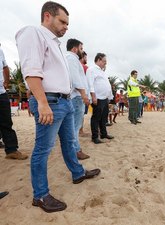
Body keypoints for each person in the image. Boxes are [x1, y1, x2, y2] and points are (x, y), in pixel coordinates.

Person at [15, 1, 100, 213]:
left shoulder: (54, 43)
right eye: (62, 21)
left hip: (64, 100)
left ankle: (77, 173)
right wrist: (42, 102)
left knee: (70, 141)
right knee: (43, 149)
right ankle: (40, 195)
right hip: (50, 101)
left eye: (67, 23)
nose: (66, 27)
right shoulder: (33, 32)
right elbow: (31, 69)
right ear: (47, 16)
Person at [0, 45, 28, 160]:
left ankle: (11, 150)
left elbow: (5, 67)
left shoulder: (0, 51)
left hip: (1, 93)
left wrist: (6, 82)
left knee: (6, 122)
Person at [66, 38, 90, 160]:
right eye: (81, 48)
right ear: (75, 49)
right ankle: (76, 151)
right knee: (75, 127)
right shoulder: (71, 58)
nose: (82, 51)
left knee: (73, 126)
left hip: (76, 97)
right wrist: (84, 95)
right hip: (76, 97)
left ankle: (74, 150)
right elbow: (75, 79)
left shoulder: (71, 59)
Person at [87, 53, 114, 144]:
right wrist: (93, 96)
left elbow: (106, 85)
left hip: (105, 98)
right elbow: (90, 84)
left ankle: (104, 134)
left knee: (104, 118)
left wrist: (109, 97)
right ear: (98, 60)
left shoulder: (102, 71)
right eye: (104, 61)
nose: (105, 63)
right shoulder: (91, 70)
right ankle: (95, 137)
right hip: (97, 98)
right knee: (96, 118)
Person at [79, 51, 89, 136]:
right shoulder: (84, 67)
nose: (86, 59)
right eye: (86, 57)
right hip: (82, 94)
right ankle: (80, 131)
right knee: (80, 114)